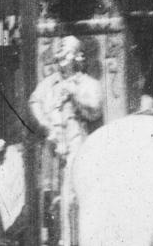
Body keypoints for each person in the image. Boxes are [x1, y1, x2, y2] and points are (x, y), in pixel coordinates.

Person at [29, 35, 104, 163]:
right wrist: (44, 123)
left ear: (77, 57)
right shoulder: (50, 82)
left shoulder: (88, 83)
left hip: (75, 138)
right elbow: (34, 101)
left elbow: (95, 109)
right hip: (53, 140)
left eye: (67, 53)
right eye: (60, 52)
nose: (62, 57)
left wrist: (75, 94)